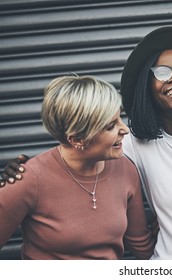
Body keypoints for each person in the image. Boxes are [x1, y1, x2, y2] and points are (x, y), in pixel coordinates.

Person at [0, 26, 172, 260]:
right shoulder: (132, 143)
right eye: (162, 72)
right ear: (147, 84)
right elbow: (74, 153)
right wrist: (23, 169)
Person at [0, 74, 154, 259]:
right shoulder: (28, 179)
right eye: (110, 126)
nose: (125, 129)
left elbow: (141, 245)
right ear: (77, 139)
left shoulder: (125, 169)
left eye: (120, 118)